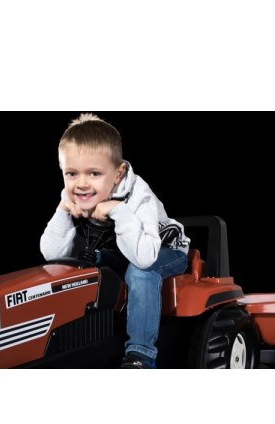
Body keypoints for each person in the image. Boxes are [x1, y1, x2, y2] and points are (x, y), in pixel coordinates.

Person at [40, 113, 190, 368]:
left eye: (94, 173)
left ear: (118, 174)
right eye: (71, 173)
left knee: (140, 272)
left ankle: (141, 356)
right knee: (86, 264)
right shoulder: (73, 195)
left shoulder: (139, 196)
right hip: (124, 249)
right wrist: (62, 211)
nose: (81, 184)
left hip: (165, 249)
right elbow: (51, 255)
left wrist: (118, 210)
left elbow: (145, 257)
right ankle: (84, 339)